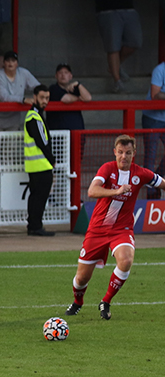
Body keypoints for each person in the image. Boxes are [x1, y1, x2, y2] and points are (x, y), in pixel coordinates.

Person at [65, 135, 165, 320]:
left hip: (122, 229)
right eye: (120, 152)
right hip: (97, 230)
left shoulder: (141, 173)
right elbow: (92, 191)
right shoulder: (107, 168)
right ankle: (78, 301)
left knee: (126, 260)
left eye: (128, 153)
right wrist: (116, 191)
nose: (123, 157)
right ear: (115, 152)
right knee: (81, 279)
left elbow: (161, 183)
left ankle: (106, 301)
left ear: (134, 153)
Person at [24, 84, 56, 237]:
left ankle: (33, 225)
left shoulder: (34, 116)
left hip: (34, 165)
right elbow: (42, 141)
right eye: (42, 97)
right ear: (35, 97)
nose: (45, 101)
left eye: (47, 98)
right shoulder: (34, 116)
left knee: (35, 196)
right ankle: (36, 226)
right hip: (41, 165)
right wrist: (51, 159)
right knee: (40, 196)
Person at [0, 51, 40, 131]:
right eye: (8, 61)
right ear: (4, 63)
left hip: (13, 121)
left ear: (17, 63)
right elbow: (4, 97)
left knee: (12, 143)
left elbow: (38, 87)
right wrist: (23, 100)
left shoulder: (24, 73)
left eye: (13, 61)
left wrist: (40, 96)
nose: (10, 63)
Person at [96, 0, 141, 93]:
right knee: (113, 47)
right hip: (107, 9)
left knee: (135, 42)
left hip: (128, 8)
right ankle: (117, 81)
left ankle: (114, 66)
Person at [141, 60, 165, 199]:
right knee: (151, 154)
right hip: (153, 118)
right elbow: (155, 94)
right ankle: (150, 195)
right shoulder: (160, 70)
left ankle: (156, 179)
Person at [47, 63, 92, 132]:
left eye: (66, 73)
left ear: (70, 76)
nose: (63, 75)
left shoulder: (75, 88)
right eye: (60, 73)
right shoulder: (53, 89)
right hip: (59, 133)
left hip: (76, 130)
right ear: (56, 76)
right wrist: (79, 98)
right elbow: (66, 99)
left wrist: (78, 84)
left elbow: (88, 98)